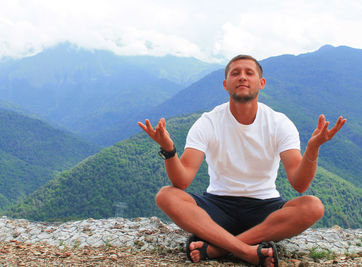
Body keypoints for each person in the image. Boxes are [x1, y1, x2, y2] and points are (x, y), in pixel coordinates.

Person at [138, 55, 346, 267]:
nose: (242, 78)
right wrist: (169, 149)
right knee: (167, 196)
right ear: (225, 84)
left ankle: (218, 248)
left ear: (261, 83)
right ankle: (247, 250)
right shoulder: (208, 122)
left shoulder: (279, 123)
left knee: (313, 207)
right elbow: (182, 182)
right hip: (217, 205)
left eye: (249, 73)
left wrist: (313, 148)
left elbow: (299, 184)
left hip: (265, 208)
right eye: (235, 73)